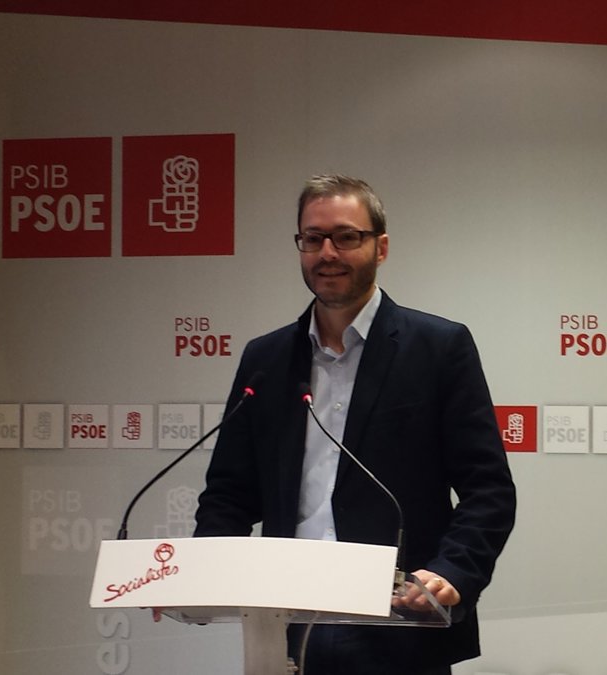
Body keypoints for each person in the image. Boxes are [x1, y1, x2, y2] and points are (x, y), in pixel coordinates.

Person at [194, 174, 516, 674]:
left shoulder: (437, 347)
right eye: (313, 238)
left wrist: (453, 570)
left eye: (346, 236)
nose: (328, 253)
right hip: (288, 621)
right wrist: (199, 574)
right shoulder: (266, 358)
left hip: (399, 623)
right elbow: (229, 493)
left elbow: (488, 489)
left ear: (380, 247)